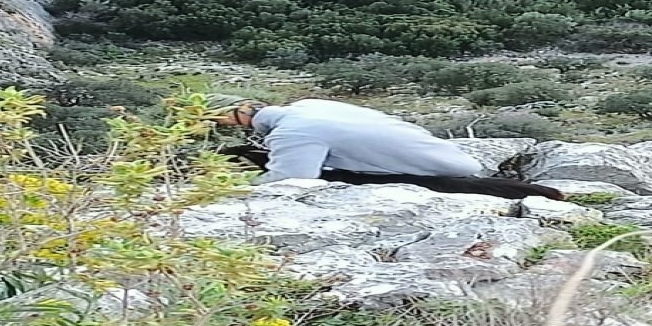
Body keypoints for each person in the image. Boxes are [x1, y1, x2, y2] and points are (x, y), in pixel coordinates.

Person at [203, 94, 564, 200]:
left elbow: (291, 181)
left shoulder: (292, 133)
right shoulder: (312, 105)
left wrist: (227, 190)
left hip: (437, 174)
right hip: (453, 159)